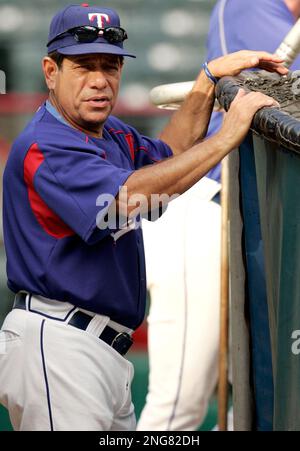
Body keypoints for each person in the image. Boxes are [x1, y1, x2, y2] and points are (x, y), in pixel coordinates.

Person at [0, 3, 285, 431]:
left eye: (110, 65)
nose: (99, 80)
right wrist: (227, 135)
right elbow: (130, 198)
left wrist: (207, 80)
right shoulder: (47, 144)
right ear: (50, 71)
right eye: (83, 66)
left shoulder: (107, 131)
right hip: (58, 342)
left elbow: (170, 154)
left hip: (101, 351)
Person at [137, 0, 300, 432]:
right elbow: (280, 95)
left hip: (261, 225)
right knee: (177, 410)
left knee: (248, 405)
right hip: (207, 209)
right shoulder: (248, 5)